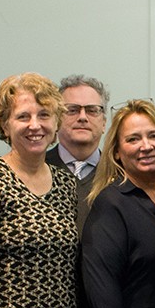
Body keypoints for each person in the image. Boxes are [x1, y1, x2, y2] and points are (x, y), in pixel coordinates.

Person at [0, 72, 79, 308]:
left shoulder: (66, 183)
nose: (35, 125)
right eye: (23, 116)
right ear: (5, 125)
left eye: (44, 115)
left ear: (56, 123)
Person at [80, 100, 155, 308]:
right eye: (133, 139)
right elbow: (103, 294)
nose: (146, 146)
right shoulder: (111, 205)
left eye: (154, 136)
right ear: (117, 152)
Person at [45, 75, 108, 229]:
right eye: (72, 110)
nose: (82, 117)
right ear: (57, 120)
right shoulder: (38, 169)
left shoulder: (119, 174)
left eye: (92, 110)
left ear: (104, 123)